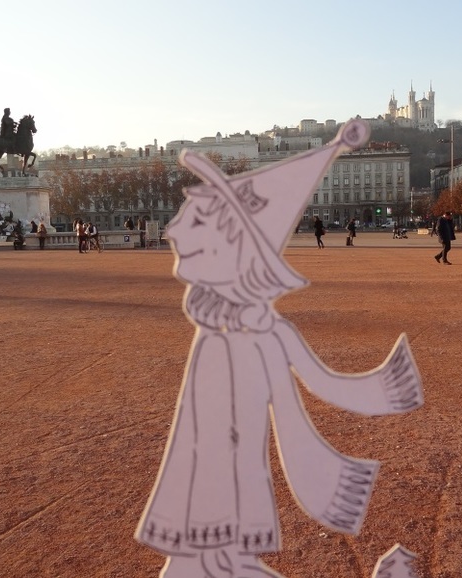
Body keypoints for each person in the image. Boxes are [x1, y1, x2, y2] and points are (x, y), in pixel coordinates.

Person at [136, 138, 422, 578]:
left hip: (217, 509)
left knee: (207, 567)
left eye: (191, 218)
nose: (172, 230)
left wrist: (386, 389)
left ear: (228, 243)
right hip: (206, 509)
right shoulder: (228, 331)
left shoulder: (254, 334)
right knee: (205, 567)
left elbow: (306, 395)